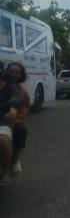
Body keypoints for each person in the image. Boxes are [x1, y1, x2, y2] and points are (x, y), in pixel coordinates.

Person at [0, 61, 23, 190]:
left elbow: (15, 101)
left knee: (4, 138)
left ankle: (6, 172)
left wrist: (13, 110)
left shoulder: (12, 87)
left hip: (3, 120)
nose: (13, 74)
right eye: (12, 71)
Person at [6, 62, 29, 174]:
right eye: (10, 71)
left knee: (21, 131)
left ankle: (14, 161)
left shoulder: (23, 92)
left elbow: (22, 112)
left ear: (21, 75)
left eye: (17, 73)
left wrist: (11, 121)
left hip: (13, 122)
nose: (13, 74)